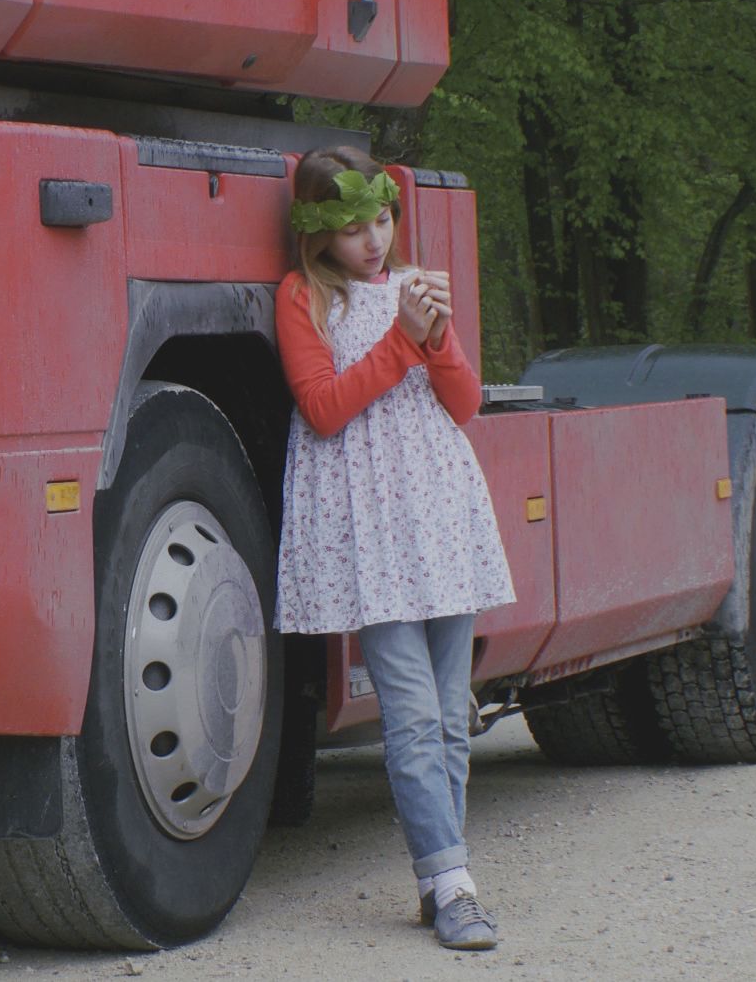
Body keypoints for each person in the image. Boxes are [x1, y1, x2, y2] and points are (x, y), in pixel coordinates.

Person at [273, 145, 515, 951]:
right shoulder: (302, 298)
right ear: (316, 233)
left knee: (449, 718)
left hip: (440, 514)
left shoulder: (410, 291)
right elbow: (324, 409)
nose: (374, 240)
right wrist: (404, 342)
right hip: (371, 532)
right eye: (352, 228)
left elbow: (466, 403)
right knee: (410, 718)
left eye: (382, 220)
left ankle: (441, 880)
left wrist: (436, 334)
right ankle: (454, 887)